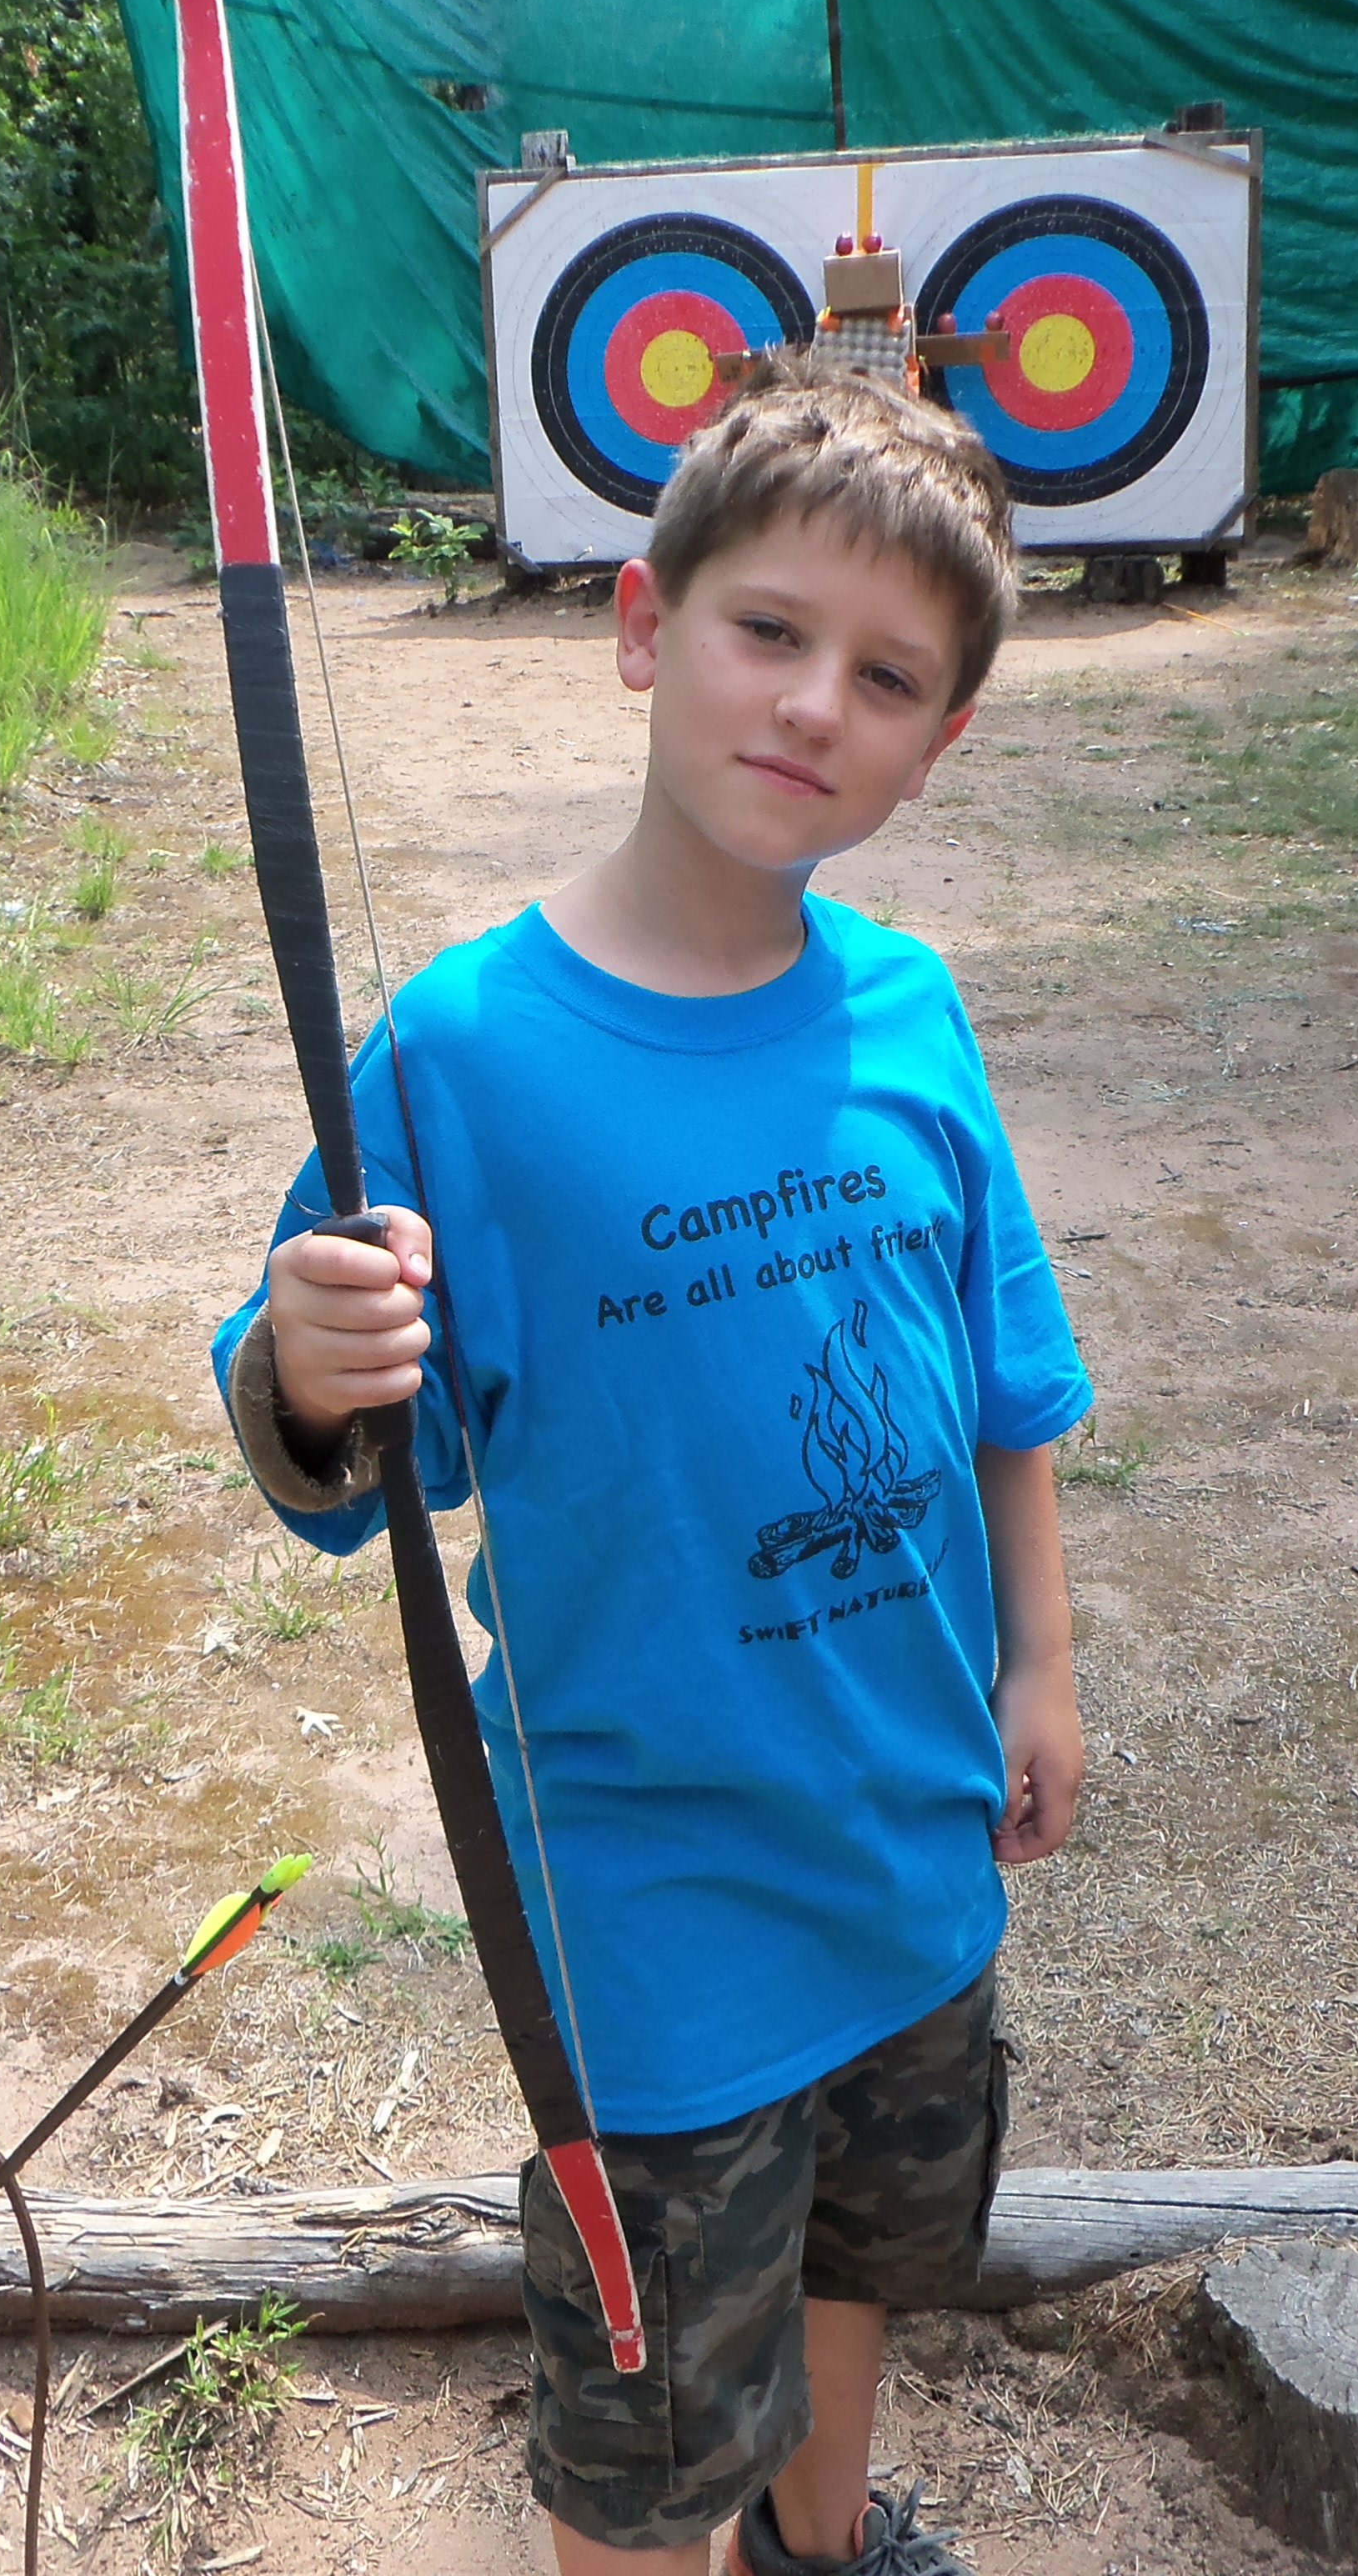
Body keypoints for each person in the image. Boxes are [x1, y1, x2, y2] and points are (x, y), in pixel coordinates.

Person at [208, 357, 1092, 2576]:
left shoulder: (910, 1010)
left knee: (867, 2247)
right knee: (650, 2394)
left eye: (885, 677)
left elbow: (1001, 1378)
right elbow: (331, 1452)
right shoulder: (467, 1054)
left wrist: (1042, 1663)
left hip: (906, 1841)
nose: (811, 705)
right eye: (766, 630)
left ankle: (825, 2543)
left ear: (938, 743)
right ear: (642, 625)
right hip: (650, 1897)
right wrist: (310, 1361)